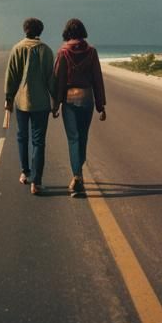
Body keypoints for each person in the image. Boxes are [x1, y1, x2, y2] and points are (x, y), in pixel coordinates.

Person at [52, 18, 106, 197]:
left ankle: (77, 176)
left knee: (73, 139)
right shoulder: (92, 52)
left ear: (67, 33)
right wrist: (101, 105)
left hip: (70, 100)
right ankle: (79, 173)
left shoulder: (63, 53)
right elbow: (97, 79)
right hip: (88, 99)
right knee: (83, 137)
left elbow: (58, 81)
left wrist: (56, 104)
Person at [4, 17, 56, 195]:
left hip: (21, 101)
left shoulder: (17, 48)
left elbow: (11, 76)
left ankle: (25, 173)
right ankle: (37, 181)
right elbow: (51, 79)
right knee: (39, 141)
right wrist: (56, 101)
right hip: (41, 103)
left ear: (24, 30)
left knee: (22, 137)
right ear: (40, 31)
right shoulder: (46, 51)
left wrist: (8, 98)